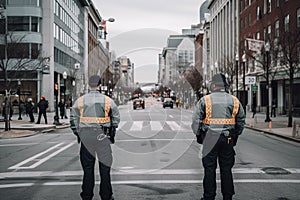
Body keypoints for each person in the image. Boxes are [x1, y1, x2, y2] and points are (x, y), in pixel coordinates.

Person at [192, 73, 245, 200]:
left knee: (209, 169)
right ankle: (228, 196)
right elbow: (241, 120)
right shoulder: (234, 100)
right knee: (226, 169)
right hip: (227, 138)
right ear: (225, 86)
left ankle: (209, 197)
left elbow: (196, 121)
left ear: (213, 85)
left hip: (210, 138)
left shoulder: (205, 100)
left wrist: (199, 134)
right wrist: (235, 134)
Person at [70, 75, 120, 200]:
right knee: (105, 168)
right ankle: (106, 196)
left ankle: (87, 196)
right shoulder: (108, 101)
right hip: (103, 135)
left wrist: (78, 132)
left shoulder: (80, 101)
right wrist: (112, 131)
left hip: (86, 136)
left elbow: (73, 119)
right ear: (99, 85)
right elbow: (116, 118)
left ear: (88, 85)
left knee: (87, 169)